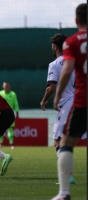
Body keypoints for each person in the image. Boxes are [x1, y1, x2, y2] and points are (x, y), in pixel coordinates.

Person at [45, 3, 87, 200]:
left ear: (76, 21)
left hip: (78, 100)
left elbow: (68, 69)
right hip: (78, 98)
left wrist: (56, 96)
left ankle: (64, 191)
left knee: (64, 143)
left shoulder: (72, 43)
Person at [40, 33, 77, 185]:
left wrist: (44, 100)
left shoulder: (55, 64)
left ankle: (67, 176)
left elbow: (51, 87)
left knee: (58, 141)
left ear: (55, 46)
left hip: (66, 104)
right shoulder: (76, 62)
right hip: (80, 101)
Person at [0, 82, 19, 149]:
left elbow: (16, 104)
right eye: (5, 86)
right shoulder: (0, 93)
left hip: (10, 114)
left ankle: (11, 144)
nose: (6, 87)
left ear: (9, 86)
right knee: (1, 129)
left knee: (10, 129)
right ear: (3, 86)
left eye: (7, 85)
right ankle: (1, 143)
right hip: (2, 114)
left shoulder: (13, 94)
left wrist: (17, 113)